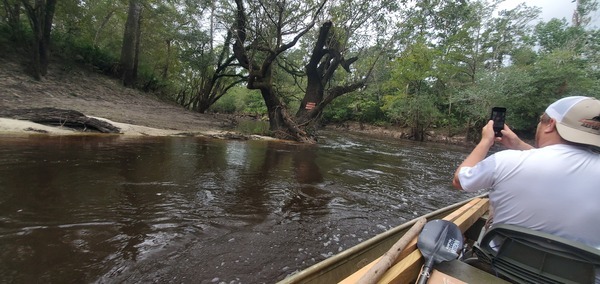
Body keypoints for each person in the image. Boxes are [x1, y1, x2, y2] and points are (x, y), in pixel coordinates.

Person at [452, 96, 600, 251]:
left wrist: (485, 141)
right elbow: (563, 163)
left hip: (501, 263)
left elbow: (460, 181)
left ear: (550, 124)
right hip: (578, 275)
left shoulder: (506, 161)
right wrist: (519, 145)